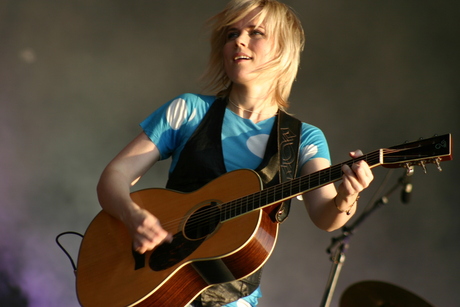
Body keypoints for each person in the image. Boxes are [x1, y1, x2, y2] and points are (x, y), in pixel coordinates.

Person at [96, 0, 374, 306]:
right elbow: (114, 176)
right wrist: (131, 215)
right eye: (231, 34)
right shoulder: (189, 110)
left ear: (283, 50)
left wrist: (348, 197)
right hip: (159, 284)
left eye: (256, 32)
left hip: (233, 299)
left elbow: (325, 217)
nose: (239, 40)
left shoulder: (304, 139)